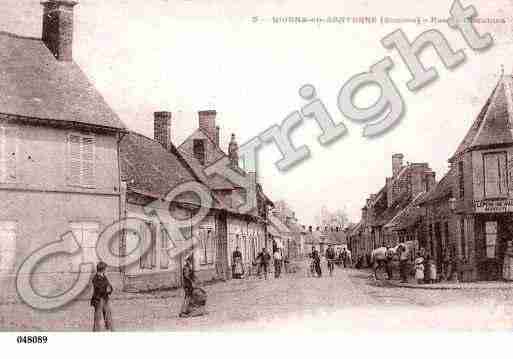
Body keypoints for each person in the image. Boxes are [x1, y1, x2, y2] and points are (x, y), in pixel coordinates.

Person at [91, 261, 114, 332]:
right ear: (102, 269)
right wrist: (106, 289)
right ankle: (96, 331)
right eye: (105, 269)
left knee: (108, 315)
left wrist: (110, 289)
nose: (106, 271)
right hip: (98, 300)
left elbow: (109, 286)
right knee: (98, 317)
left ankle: (109, 329)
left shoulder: (104, 277)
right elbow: (99, 289)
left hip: (105, 298)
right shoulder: (95, 278)